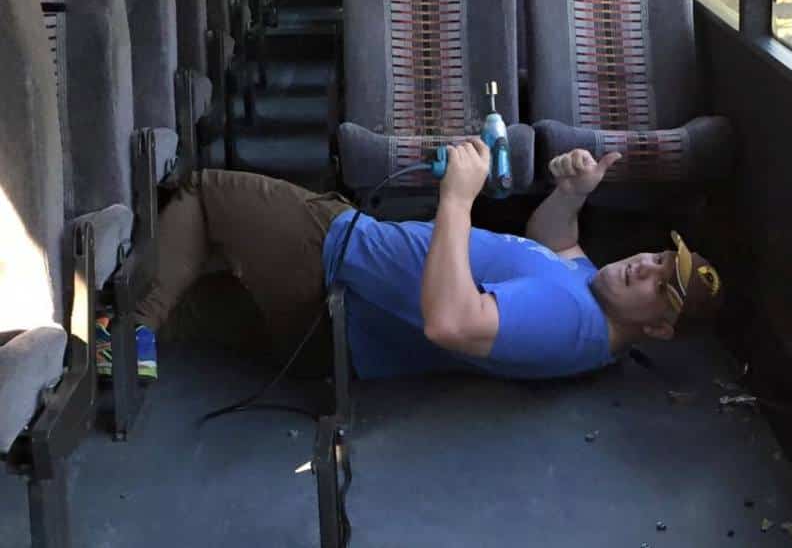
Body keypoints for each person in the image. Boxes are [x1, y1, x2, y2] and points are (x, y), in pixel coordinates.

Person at [107, 142, 723, 381]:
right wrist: (572, 196)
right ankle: (124, 335)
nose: (644, 267)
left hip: (335, 255)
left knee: (205, 194)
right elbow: (554, 244)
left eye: (660, 287)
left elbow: (452, 323)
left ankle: (132, 332)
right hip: (338, 329)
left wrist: (457, 199)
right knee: (192, 304)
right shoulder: (590, 294)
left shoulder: (569, 321)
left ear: (659, 329)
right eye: (657, 257)